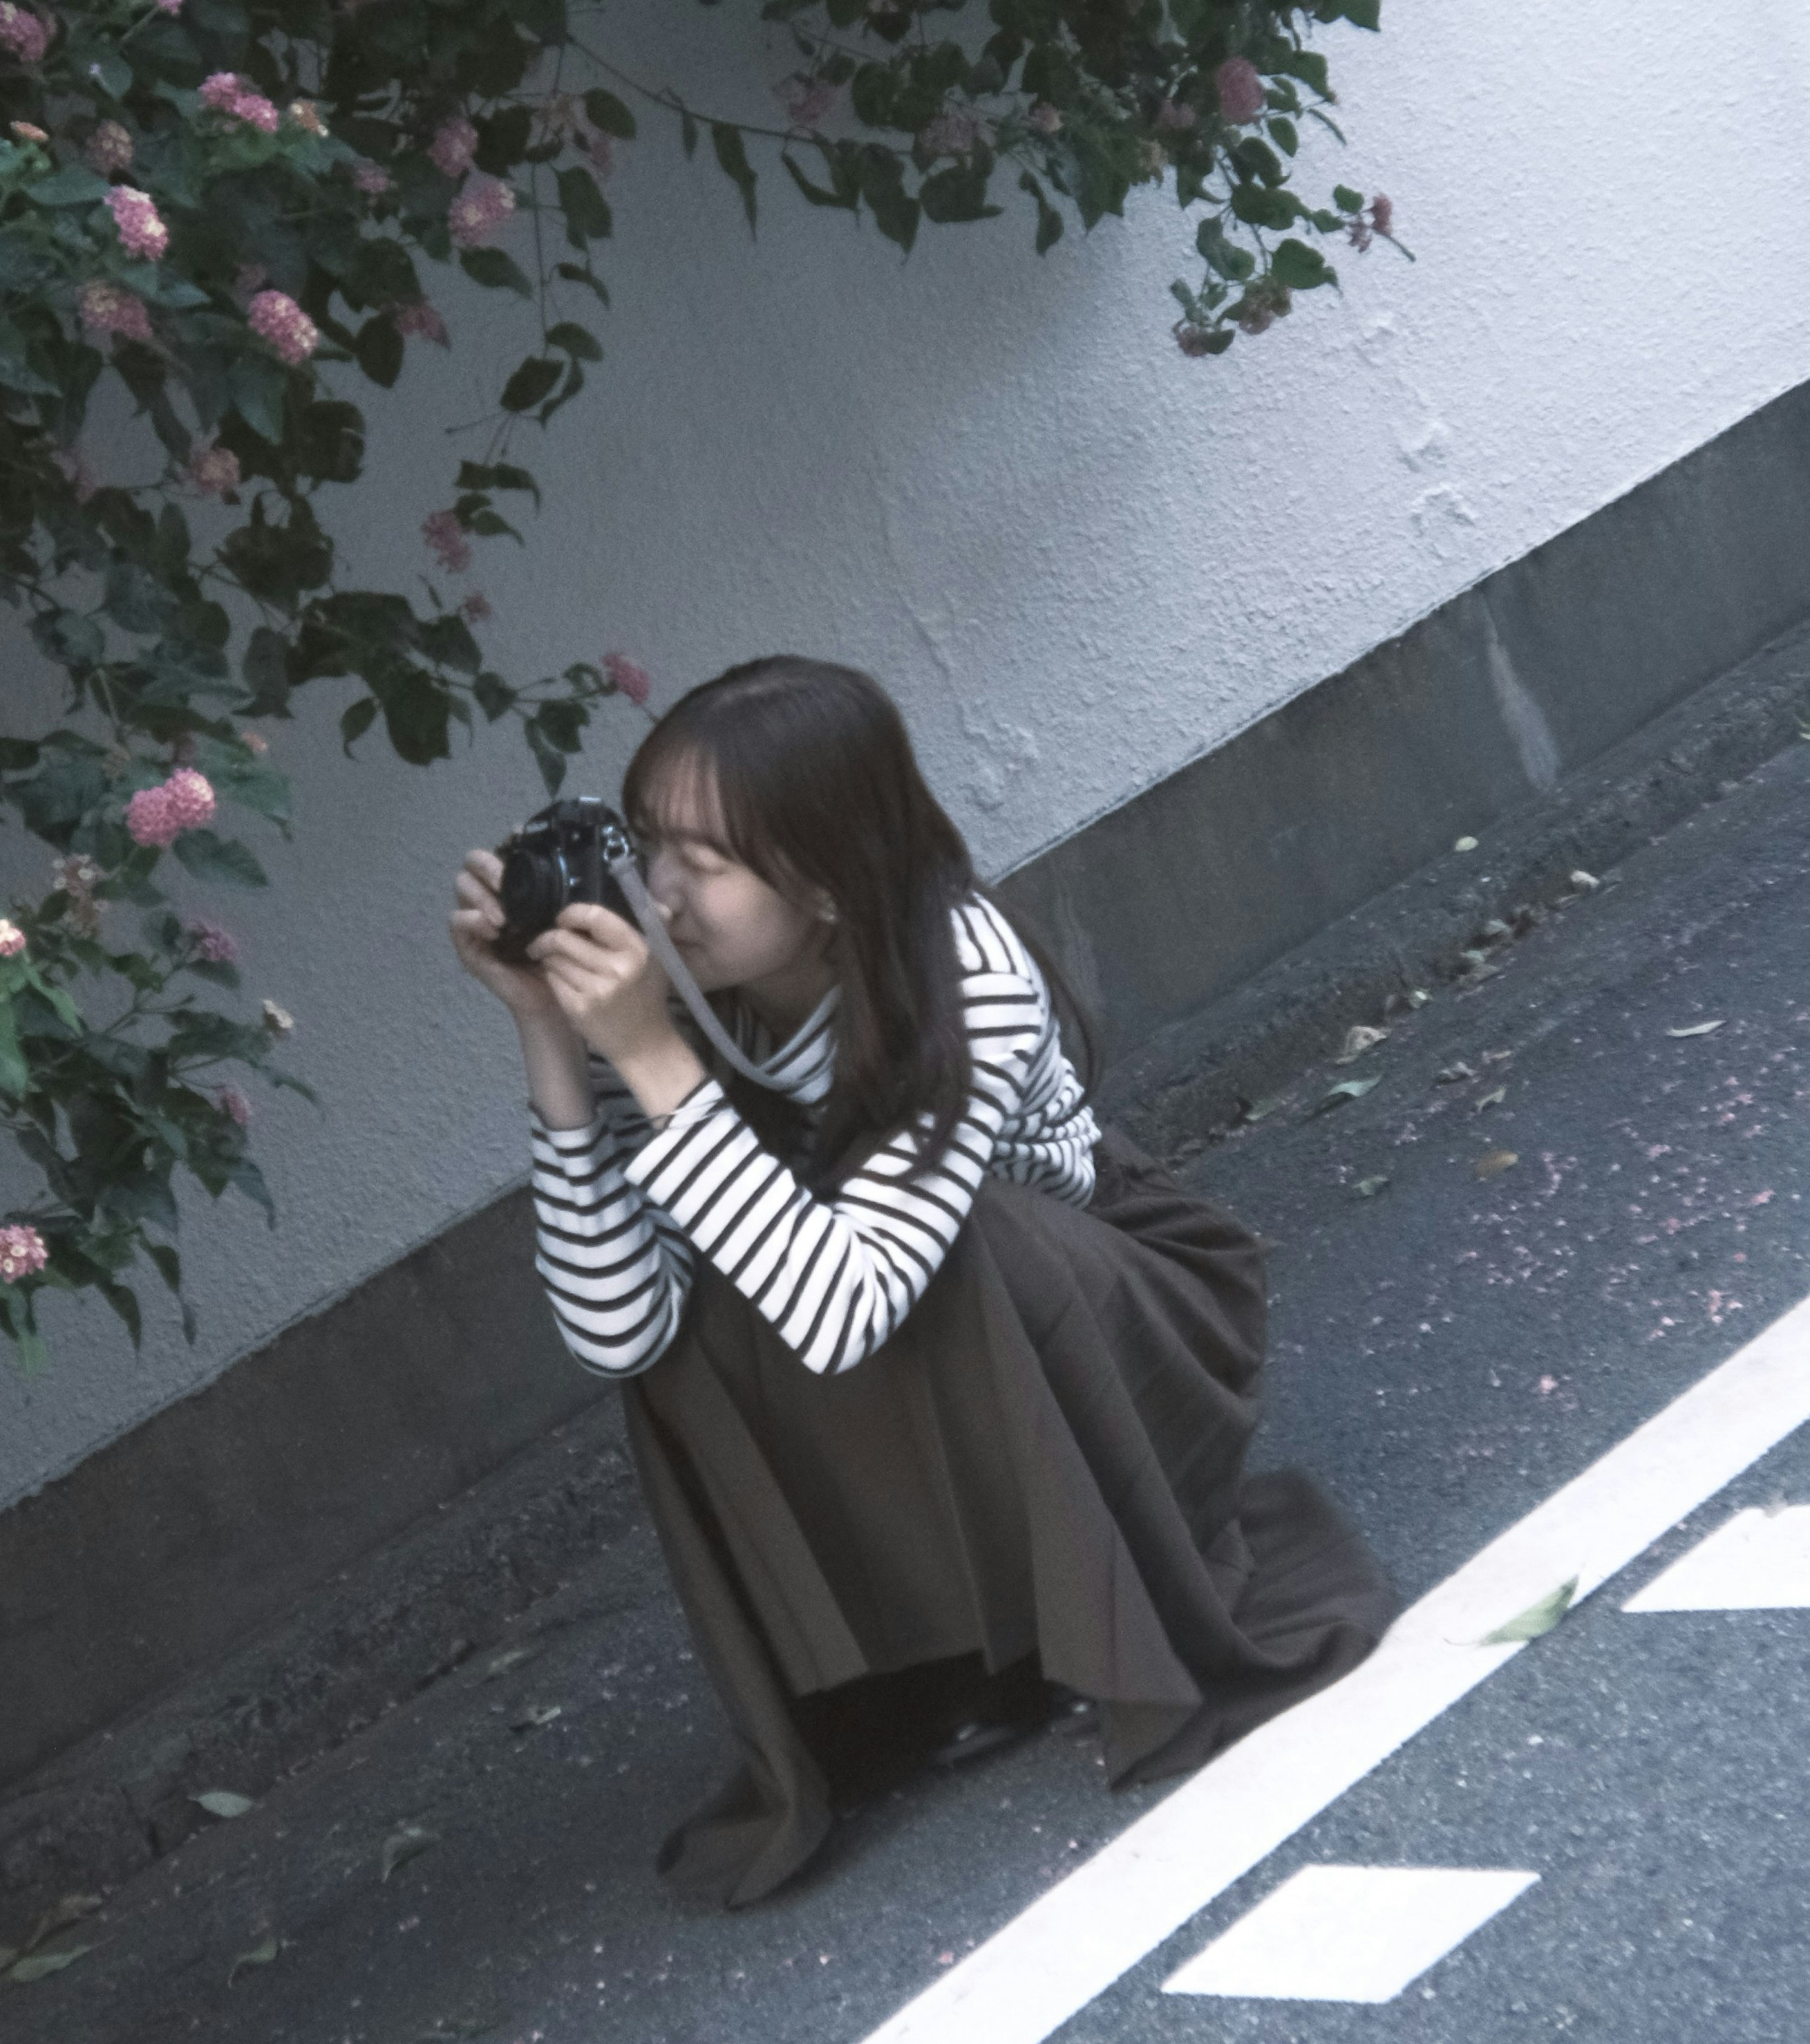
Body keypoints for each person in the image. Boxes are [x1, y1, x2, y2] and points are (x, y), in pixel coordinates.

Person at [450, 655, 1396, 1906]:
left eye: (707, 861)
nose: (657, 896)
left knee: (950, 1248)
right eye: (649, 844)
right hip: (920, 1333)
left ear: (828, 881)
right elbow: (619, 1337)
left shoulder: (962, 972)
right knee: (707, 1301)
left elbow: (848, 1313)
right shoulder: (651, 989)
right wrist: (555, 1041)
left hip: (1114, 1323)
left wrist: (656, 1061)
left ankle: (1082, 1610)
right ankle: (945, 1656)